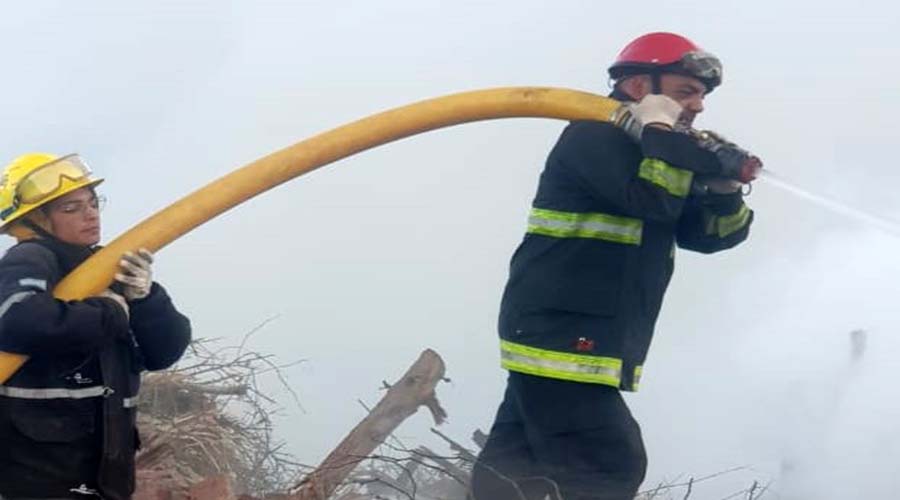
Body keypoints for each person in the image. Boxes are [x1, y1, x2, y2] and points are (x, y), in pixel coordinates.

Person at [470, 32, 756, 500]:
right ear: (640, 87)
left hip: (585, 330)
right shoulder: (593, 137)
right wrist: (665, 140)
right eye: (686, 92)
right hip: (562, 329)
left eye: (702, 96)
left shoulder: (658, 153)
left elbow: (708, 238)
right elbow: (653, 203)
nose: (699, 106)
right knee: (609, 462)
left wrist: (724, 191)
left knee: (513, 468)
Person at [0, 153, 192, 499]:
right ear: (36, 220)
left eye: (92, 203)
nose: (90, 214)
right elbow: (17, 320)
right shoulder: (29, 259)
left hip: (104, 478)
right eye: (71, 208)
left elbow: (164, 352)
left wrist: (146, 299)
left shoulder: (104, 266)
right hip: (38, 481)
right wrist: (109, 312)